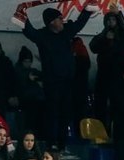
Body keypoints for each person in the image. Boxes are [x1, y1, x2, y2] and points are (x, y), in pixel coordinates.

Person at [13, 1, 96, 148]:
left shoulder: (66, 32)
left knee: (66, 114)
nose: (62, 20)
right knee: (52, 114)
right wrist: (22, 15)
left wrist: (87, 10)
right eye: (59, 18)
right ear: (51, 22)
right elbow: (29, 31)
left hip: (68, 82)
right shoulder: (43, 36)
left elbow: (79, 23)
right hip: (52, 83)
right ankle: (51, 144)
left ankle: (62, 144)